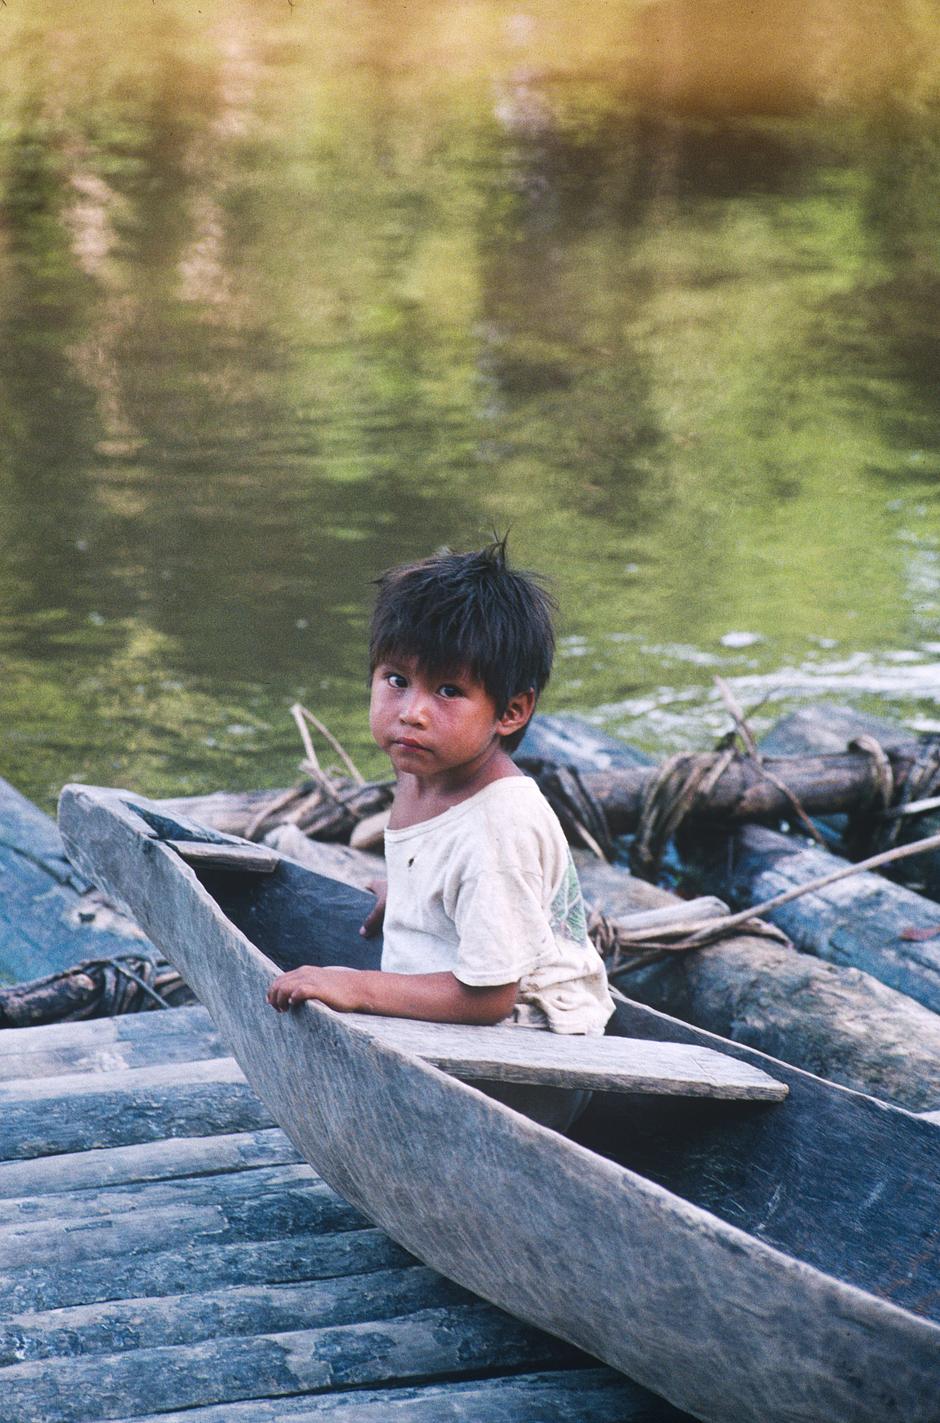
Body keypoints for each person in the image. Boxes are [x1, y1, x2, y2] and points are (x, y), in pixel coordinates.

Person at [267, 539, 614, 1085]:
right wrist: (409, 894)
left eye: (449, 690)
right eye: (397, 681)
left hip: (524, 1058)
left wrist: (355, 988)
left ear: (511, 711)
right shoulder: (424, 770)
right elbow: (444, 868)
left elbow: (489, 998)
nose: (413, 713)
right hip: (475, 1019)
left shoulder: (497, 827)